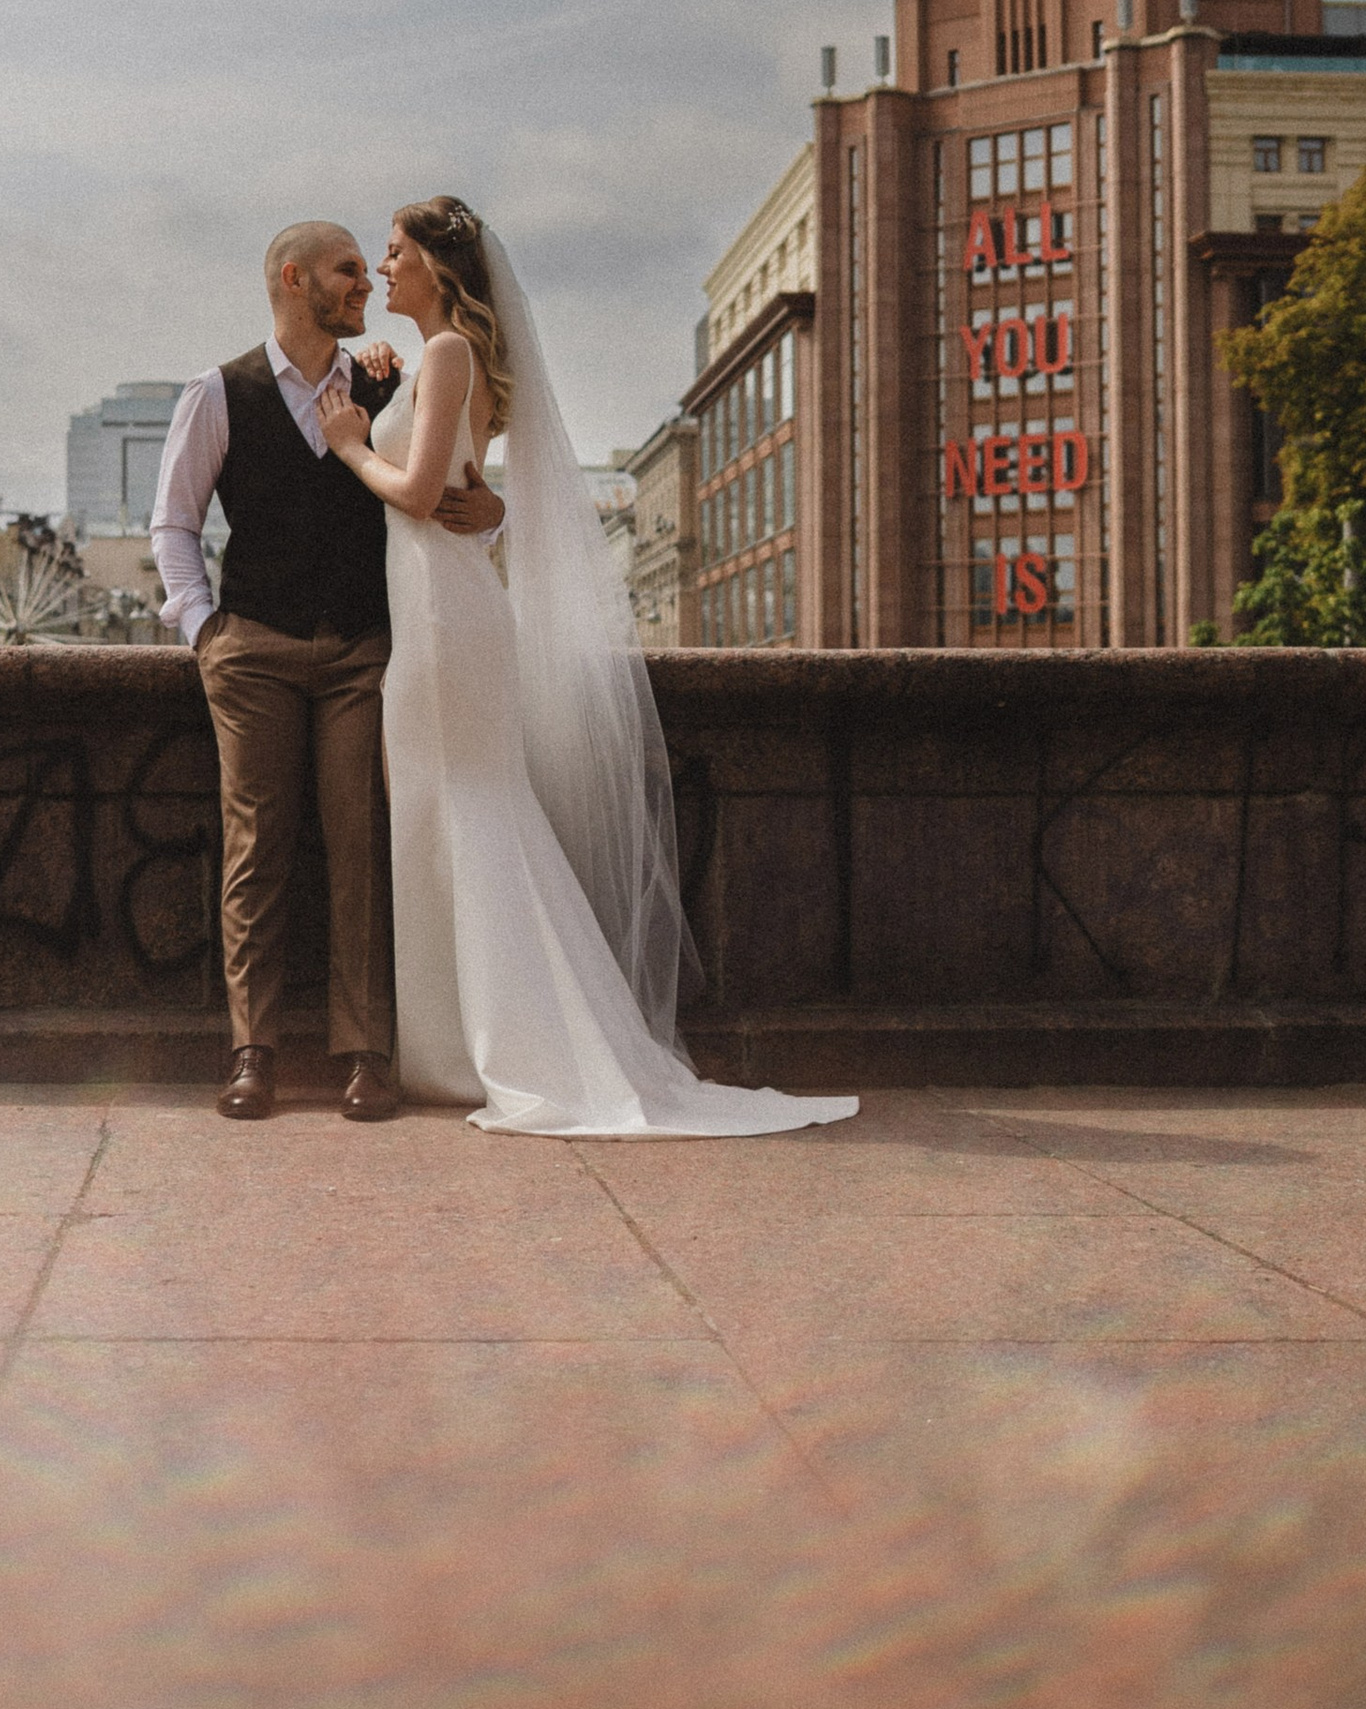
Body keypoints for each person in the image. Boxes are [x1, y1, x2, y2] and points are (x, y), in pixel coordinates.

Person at [320, 197, 858, 1140]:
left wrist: (352, 443)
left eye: (396, 255)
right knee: (455, 814)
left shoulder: (449, 355)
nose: (384, 268)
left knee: (469, 811)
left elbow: (415, 492)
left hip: (447, 618)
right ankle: (464, 1046)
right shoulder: (440, 360)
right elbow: (466, 491)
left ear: (440, 270)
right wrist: (385, 401)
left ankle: (496, 1049)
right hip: (442, 611)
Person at [150, 219, 505, 1123]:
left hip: (361, 650)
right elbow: (173, 524)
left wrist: (488, 502)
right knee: (254, 852)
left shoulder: (385, 379)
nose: (363, 284)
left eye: (368, 269)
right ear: (292, 278)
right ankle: (252, 1051)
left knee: (362, 848)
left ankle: (364, 1056)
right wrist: (204, 631)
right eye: (348, 271)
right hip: (253, 649)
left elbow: (448, 475)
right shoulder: (217, 392)